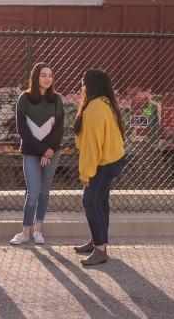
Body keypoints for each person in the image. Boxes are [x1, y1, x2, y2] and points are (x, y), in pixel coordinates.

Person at [73, 69, 127, 266]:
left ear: (91, 85)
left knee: (90, 202)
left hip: (103, 164)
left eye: (83, 83)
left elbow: (92, 145)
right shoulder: (106, 103)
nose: (82, 87)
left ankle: (100, 250)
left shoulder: (96, 107)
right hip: (113, 160)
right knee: (100, 202)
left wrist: (85, 173)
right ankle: (97, 241)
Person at [10, 62, 64, 245]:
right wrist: (43, 150)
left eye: (50, 75)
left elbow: (59, 129)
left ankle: (38, 231)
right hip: (32, 153)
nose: (48, 78)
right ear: (35, 77)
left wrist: (49, 152)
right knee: (32, 193)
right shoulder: (24, 99)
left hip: (52, 152)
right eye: (43, 75)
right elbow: (23, 131)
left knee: (44, 193)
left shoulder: (57, 99)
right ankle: (25, 232)